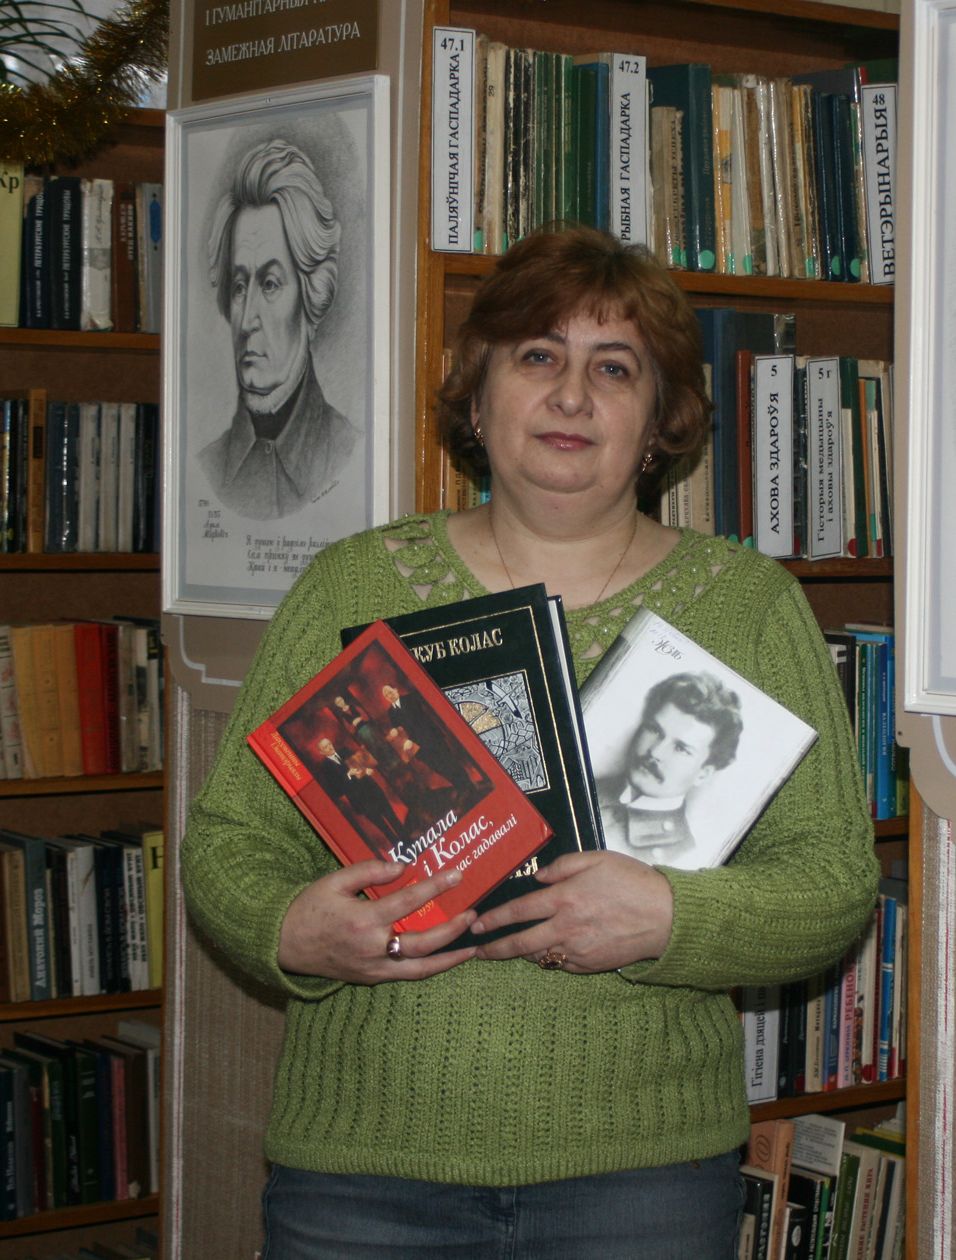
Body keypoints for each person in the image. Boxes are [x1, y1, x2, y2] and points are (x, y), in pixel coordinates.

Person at [181, 224, 877, 1259]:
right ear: (477, 393)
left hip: (641, 1185)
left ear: (662, 421)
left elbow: (833, 882)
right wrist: (291, 930)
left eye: (615, 367)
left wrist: (670, 916)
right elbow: (227, 840)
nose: (572, 396)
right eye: (539, 356)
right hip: (363, 1182)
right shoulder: (352, 587)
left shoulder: (747, 608)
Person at [197, 137, 360, 521]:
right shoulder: (206, 470)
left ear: (311, 294)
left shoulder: (350, 453)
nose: (247, 321)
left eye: (270, 284)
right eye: (239, 287)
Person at [598, 671, 743, 870]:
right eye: (655, 730)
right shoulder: (587, 785)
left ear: (703, 774)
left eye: (681, 748)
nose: (655, 752)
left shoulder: (682, 857)